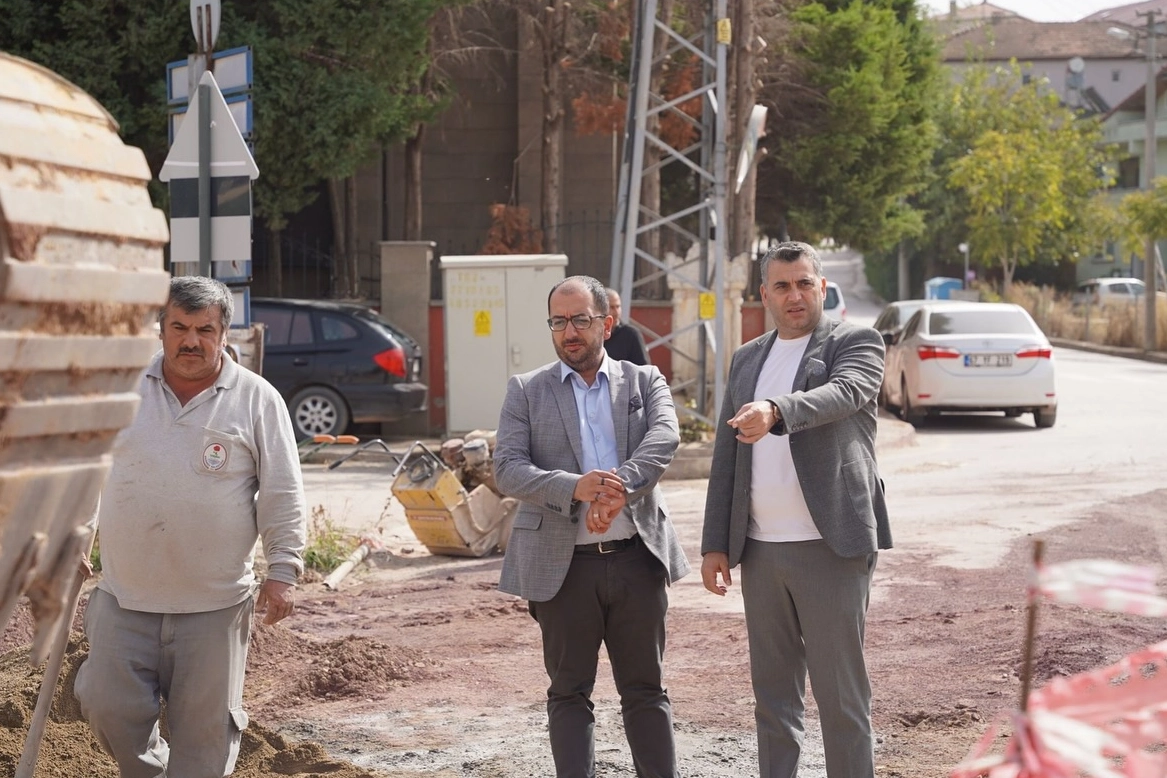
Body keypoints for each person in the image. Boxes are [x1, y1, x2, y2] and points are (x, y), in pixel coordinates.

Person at [75, 276, 307, 778]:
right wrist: (73, 538)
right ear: (160, 329)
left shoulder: (257, 399)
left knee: (205, 740)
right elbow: (85, 473)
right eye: (179, 327)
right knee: (104, 703)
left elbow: (283, 491)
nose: (191, 341)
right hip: (124, 597)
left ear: (224, 334)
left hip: (214, 606)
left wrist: (283, 569)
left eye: (205, 330)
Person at [700, 241, 892, 778]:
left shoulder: (856, 341)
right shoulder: (747, 358)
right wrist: (715, 543)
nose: (795, 295)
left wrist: (776, 409)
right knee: (773, 699)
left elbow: (844, 393)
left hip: (830, 545)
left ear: (822, 287)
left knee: (841, 701)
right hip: (761, 551)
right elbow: (726, 457)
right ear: (764, 295)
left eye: (805, 283)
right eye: (782, 286)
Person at [494, 274, 690, 778]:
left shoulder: (645, 381)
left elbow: (664, 438)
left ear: (607, 323)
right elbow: (508, 468)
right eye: (558, 322)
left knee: (646, 691)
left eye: (580, 320)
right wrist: (575, 488)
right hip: (563, 570)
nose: (569, 332)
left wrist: (618, 486)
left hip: (636, 559)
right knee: (568, 693)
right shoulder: (527, 390)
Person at [604, 287, 650, 365]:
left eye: (618, 307)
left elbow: (644, 368)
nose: (616, 312)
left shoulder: (631, 335)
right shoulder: (592, 333)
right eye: (611, 307)